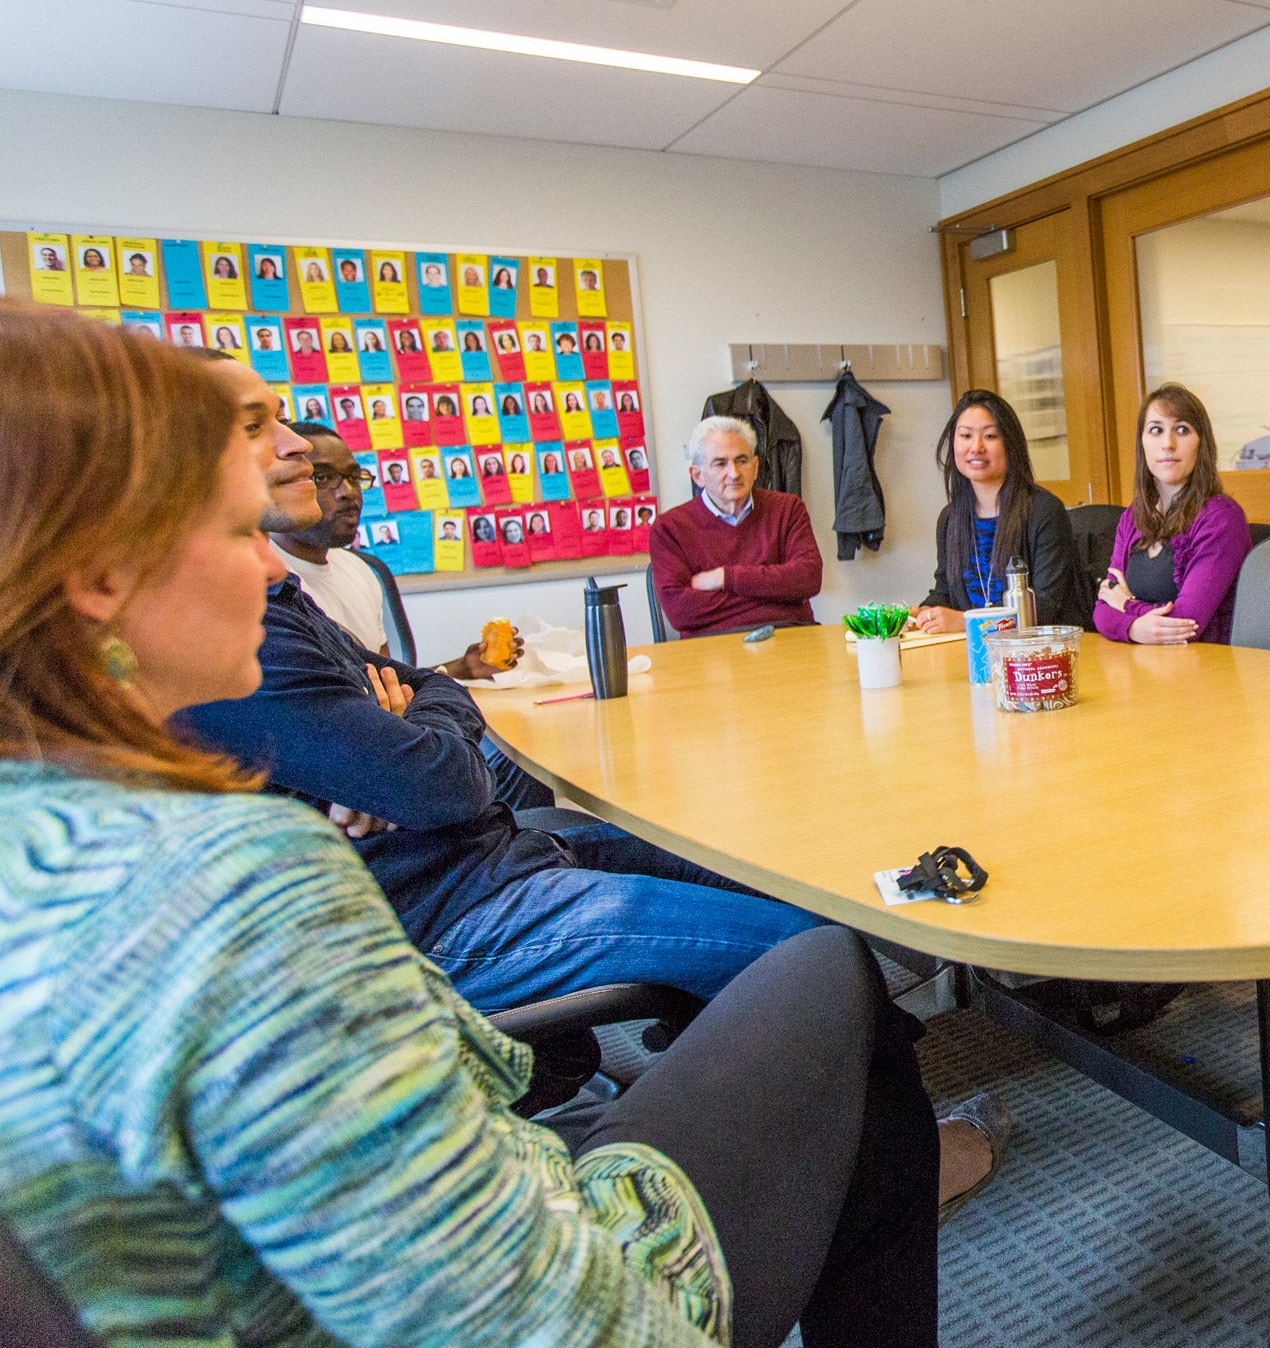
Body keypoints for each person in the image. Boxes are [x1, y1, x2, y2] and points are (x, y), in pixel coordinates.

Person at [0, 302, 945, 1348]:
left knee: (758, 927)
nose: (276, 576)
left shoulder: (19, 834)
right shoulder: (227, 886)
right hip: (540, 1299)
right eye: (241, 536)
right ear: (97, 573)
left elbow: (427, 715)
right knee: (833, 976)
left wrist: (412, 718)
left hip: (300, 1295)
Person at [180, 362, 827, 1017]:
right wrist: (395, 745)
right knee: (812, 955)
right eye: (260, 425)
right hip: (451, 909)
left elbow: (423, 691)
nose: (298, 446)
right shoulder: (233, 629)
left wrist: (402, 731)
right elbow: (447, 782)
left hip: (483, 853)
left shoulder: (292, 590)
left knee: (756, 874)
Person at [912, 389, 1087, 633]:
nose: (976, 447)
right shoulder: (950, 518)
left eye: (990, 436)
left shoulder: (1043, 511)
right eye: (965, 435)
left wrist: (965, 623)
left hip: (1035, 657)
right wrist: (923, 613)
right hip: (973, 653)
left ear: (1010, 444)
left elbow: (1046, 606)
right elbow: (946, 591)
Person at [1093, 384, 1247, 646]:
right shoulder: (1132, 518)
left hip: (1206, 671)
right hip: (1145, 666)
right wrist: (1135, 628)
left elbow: (1187, 624)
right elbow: (1102, 610)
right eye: (1155, 430)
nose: (1168, 444)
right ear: (1142, 443)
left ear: (1202, 443)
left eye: (1182, 430)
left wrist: (1127, 605)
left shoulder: (1221, 518)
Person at [650, 417, 823, 636]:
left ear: (756, 467)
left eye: (742, 460)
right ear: (697, 475)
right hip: (712, 650)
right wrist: (777, 596)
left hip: (788, 638)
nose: (734, 473)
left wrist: (724, 578)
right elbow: (681, 612)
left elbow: (808, 580)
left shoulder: (788, 509)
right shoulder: (669, 528)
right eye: (720, 463)